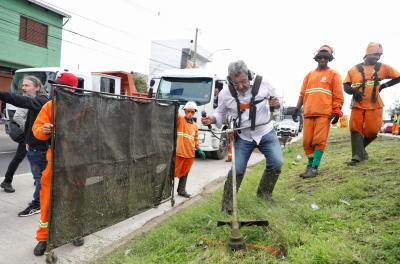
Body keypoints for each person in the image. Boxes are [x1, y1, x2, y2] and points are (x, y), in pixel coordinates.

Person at [201, 60, 283, 214]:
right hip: (243, 136)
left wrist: (275, 103)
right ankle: (226, 207)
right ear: (230, 80)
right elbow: (220, 112)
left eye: (244, 81)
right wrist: (212, 119)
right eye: (236, 83)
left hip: (265, 131)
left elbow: (276, 102)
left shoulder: (263, 84)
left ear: (249, 76)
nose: (241, 86)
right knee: (236, 169)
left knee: (277, 163)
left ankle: (264, 195)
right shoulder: (226, 93)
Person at [32, 72, 82, 256]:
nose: (56, 88)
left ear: (71, 89)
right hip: (54, 160)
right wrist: (43, 130)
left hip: (76, 161)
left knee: (74, 198)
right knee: (47, 200)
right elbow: (36, 129)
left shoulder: (83, 108)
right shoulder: (49, 106)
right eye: (56, 85)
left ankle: (75, 231)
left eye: (60, 85)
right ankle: (43, 238)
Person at [343, 42, 400, 165]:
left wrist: (384, 85)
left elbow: (398, 76)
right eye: (376, 54)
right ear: (368, 53)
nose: (378, 57)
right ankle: (356, 157)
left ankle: (361, 151)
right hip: (357, 104)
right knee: (355, 129)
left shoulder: (383, 67)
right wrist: (354, 92)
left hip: (375, 104)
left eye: (380, 55)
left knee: (373, 131)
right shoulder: (354, 69)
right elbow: (345, 86)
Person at [292, 45, 344, 178]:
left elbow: (338, 95)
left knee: (319, 141)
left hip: (324, 114)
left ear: (329, 59)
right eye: (320, 57)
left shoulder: (334, 75)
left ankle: (314, 167)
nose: (322, 59)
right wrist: (297, 109)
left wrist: (337, 111)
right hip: (308, 113)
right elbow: (302, 94)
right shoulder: (309, 75)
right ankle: (310, 165)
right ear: (316, 58)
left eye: (325, 57)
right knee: (307, 142)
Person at [0, 76, 49, 216]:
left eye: (27, 85)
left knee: (40, 179)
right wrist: (27, 141)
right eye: (23, 85)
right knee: (40, 178)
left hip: (39, 149)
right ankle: (40, 202)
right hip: (33, 146)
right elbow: (31, 124)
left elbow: (19, 99)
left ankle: (37, 204)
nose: (23, 88)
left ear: (37, 87)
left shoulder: (41, 101)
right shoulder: (38, 102)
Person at [175, 101, 206, 198]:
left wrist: (199, 149)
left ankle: (181, 190)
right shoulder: (180, 120)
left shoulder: (195, 126)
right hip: (179, 153)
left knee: (185, 173)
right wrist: (175, 106)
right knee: (173, 172)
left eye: (192, 112)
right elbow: (175, 114)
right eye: (188, 111)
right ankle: (165, 192)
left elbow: (195, 140)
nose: (190, 114)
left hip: (190, 154)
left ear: (194, 113)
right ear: (184, 111)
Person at [0, 107, 28, 193]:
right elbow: (17, 117)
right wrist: (28, 128)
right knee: (19, 157)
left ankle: (38, 179)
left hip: (28, 134)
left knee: (35, 155)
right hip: (24, 134)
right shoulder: (30, 101)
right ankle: (7, 181)